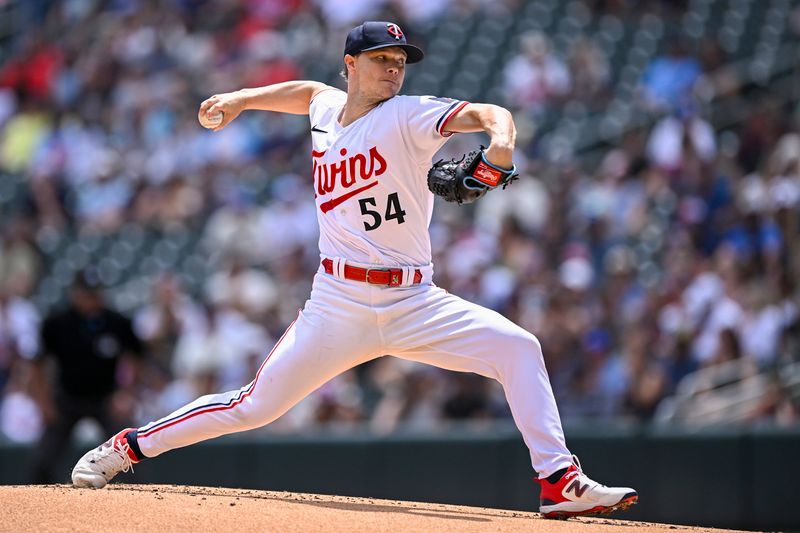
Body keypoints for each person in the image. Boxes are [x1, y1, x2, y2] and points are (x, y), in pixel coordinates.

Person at [71, 21, 638, 518]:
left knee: (519, 347)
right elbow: (308, 94)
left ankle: (559, 482)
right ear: (351, 65)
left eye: (399, 62)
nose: (394, 70)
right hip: (337, 302)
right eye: (381, 61)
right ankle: (127, 447)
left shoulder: (409, 116)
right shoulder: (326, 110)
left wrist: (503, 146)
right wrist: (241, 98)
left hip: (415, 301)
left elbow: (491, 113)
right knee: (254, 406)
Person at [30, 269, 144, 483]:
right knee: (42, 461)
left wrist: (126, 394)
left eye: (95, 294)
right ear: (75, 294)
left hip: (106, 399)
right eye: (87, 294)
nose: (92, 300)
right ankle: (40, 503)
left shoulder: (116, 322)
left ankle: (137, 503)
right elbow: (37, 364)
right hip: (67, 398)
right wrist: (43, 402)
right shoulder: (57, 323)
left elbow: (136, 357)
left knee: (129, 457)